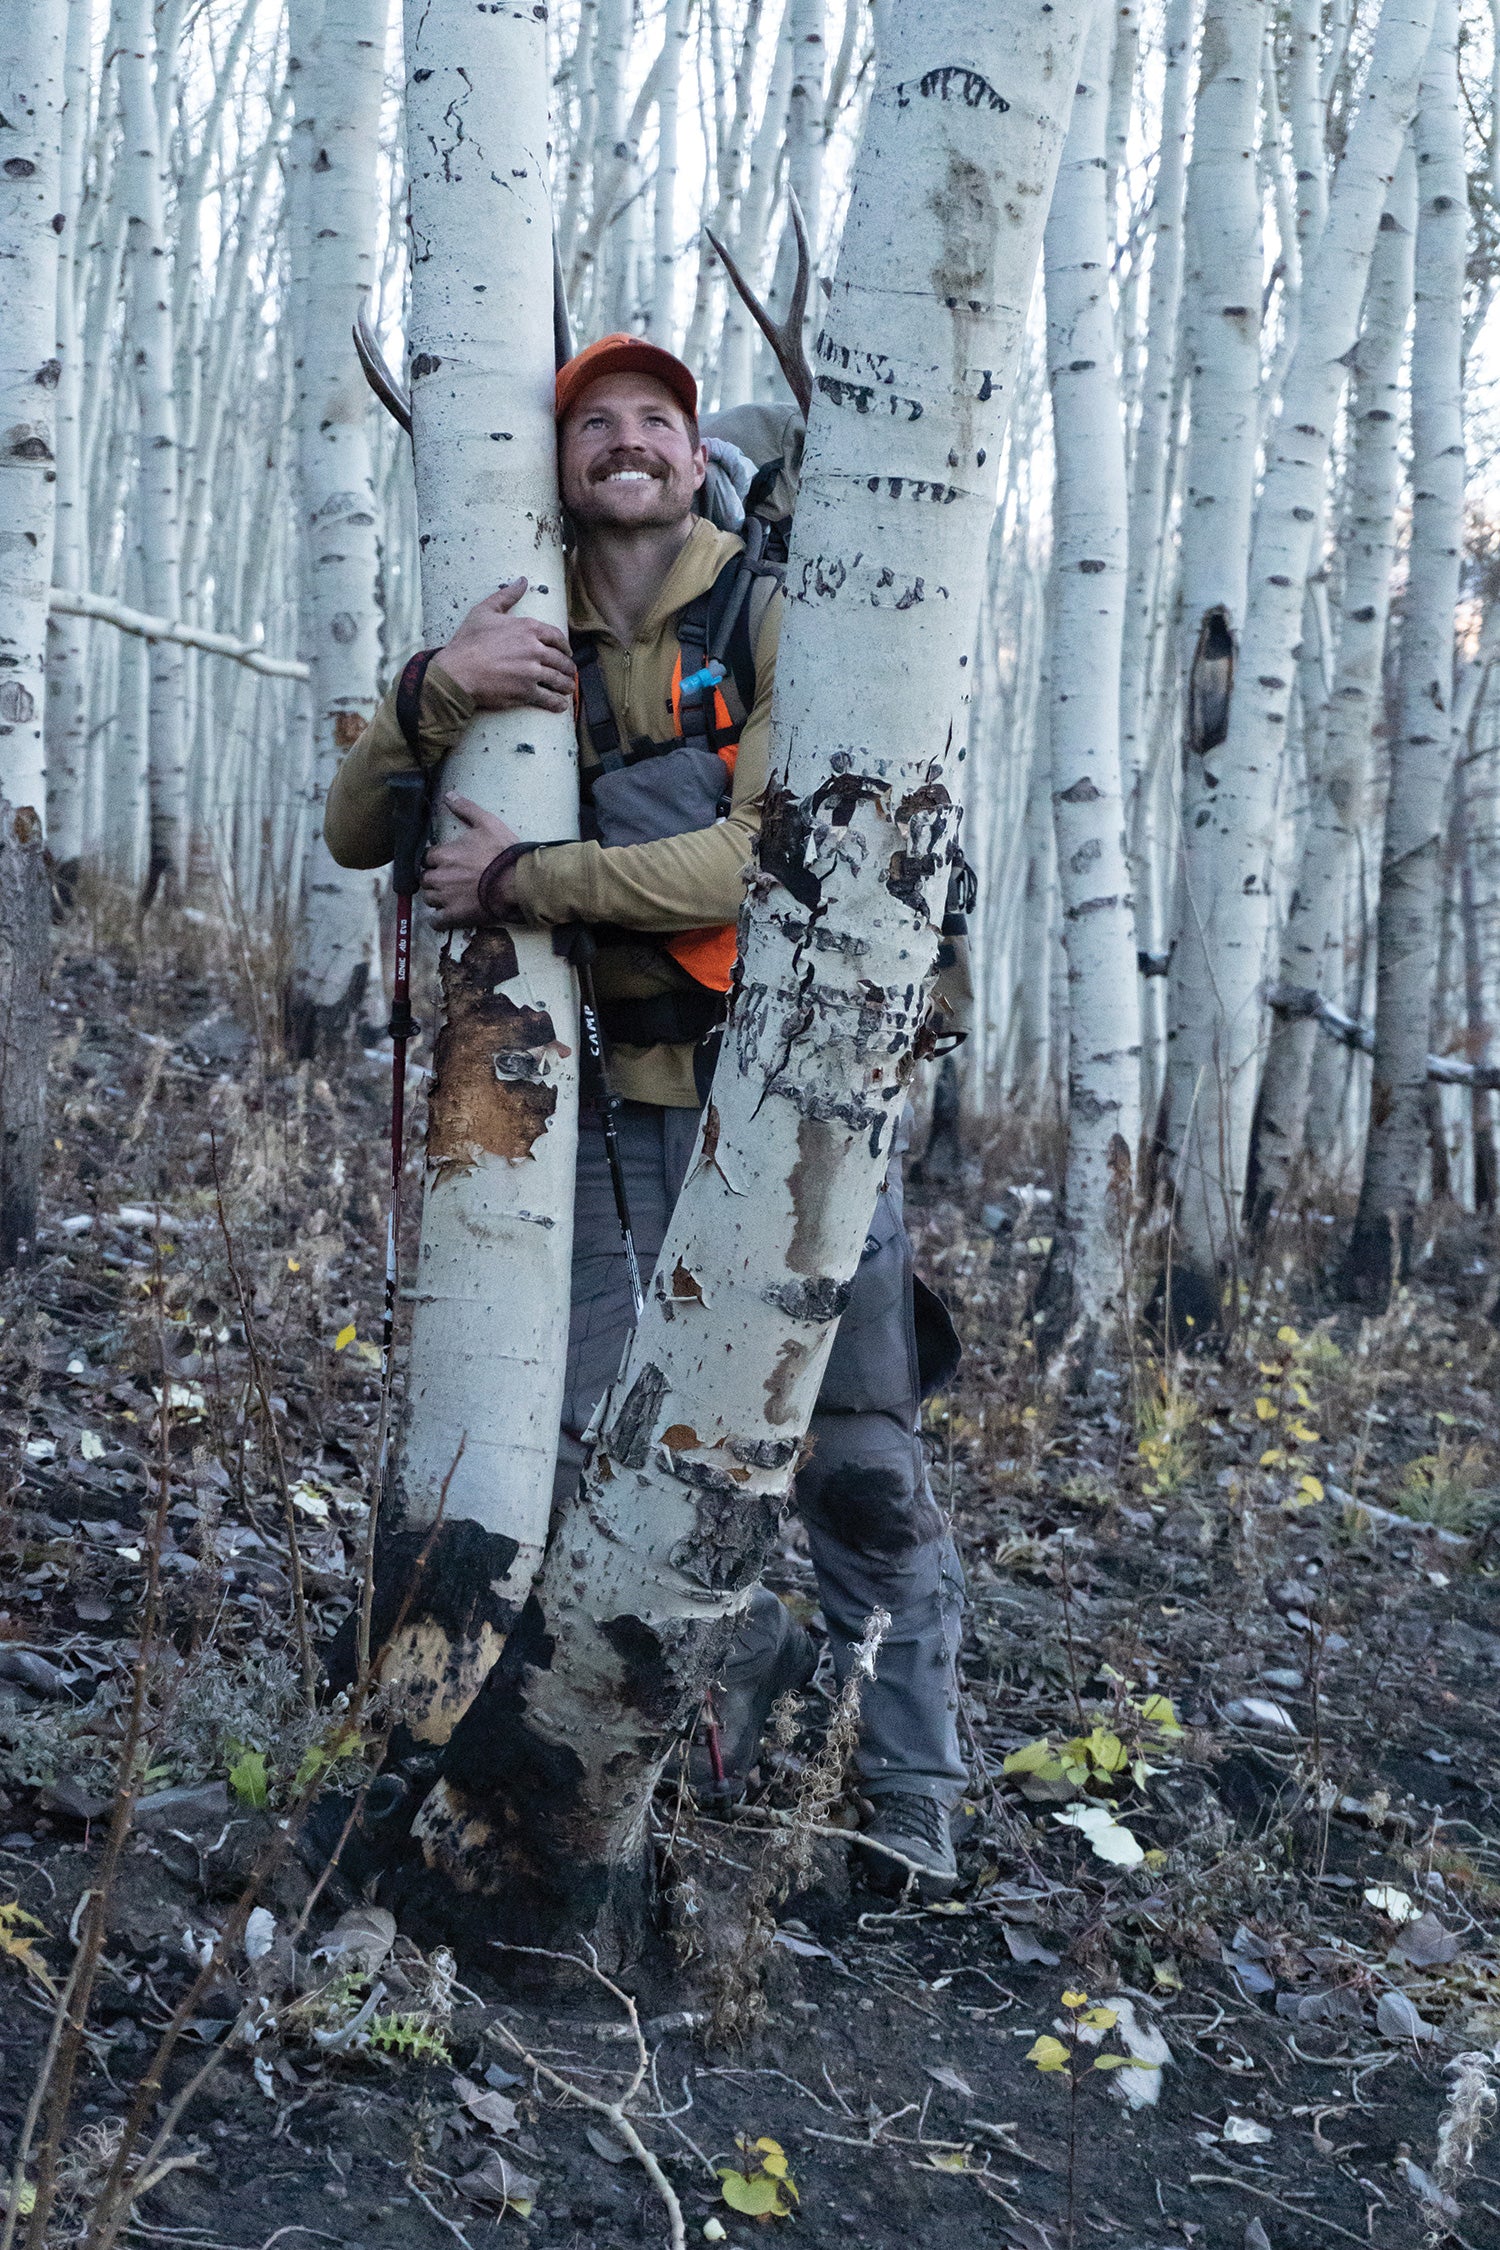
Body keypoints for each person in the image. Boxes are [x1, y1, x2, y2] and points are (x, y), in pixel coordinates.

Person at [324, 333, 966, 1894]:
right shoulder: (516, 630)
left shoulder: (775, 611)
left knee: (864, 1478)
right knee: (569, 1476)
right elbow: (357, 825)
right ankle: (571, 1785)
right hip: (605, 1140)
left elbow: (772, 852)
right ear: (555, 467)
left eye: (658, 421)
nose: (628, 441)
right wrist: (434, 691)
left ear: (696, 456)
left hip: (803, 1121)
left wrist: (534, 880)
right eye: (593, 421)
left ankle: (908, 1825)